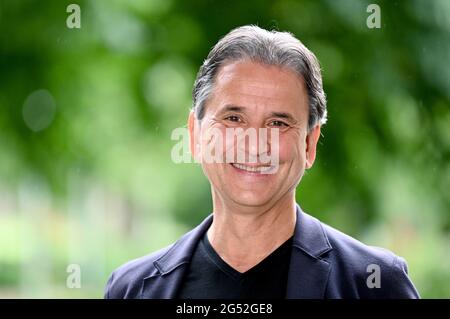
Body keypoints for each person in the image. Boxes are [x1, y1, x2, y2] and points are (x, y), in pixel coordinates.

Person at [104, 25, 420, 299]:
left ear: (310, 143)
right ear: (196, 135)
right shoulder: (132, 289)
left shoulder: (374, 285)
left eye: (278, 123)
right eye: (233, 117)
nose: (254, 144)